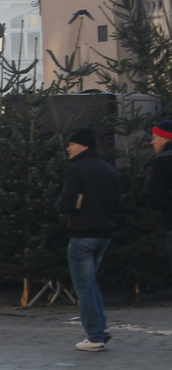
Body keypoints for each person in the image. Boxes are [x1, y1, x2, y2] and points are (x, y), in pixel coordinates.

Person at [56, 126, 120, 352]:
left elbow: (66, 202)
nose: (68, 148)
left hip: (82, 235)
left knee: (84, 287)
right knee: (91, 284)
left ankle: (95, 336)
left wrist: (63, 206)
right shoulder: (109, 170)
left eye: (71, 144)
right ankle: (101, 328)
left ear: (83, 146)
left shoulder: (76, 169)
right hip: (104, 234)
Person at [146, 119, 172, 271]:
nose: (153, 141)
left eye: (156, 137)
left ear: (167, 138)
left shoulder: (162, 161)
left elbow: (158, 199)